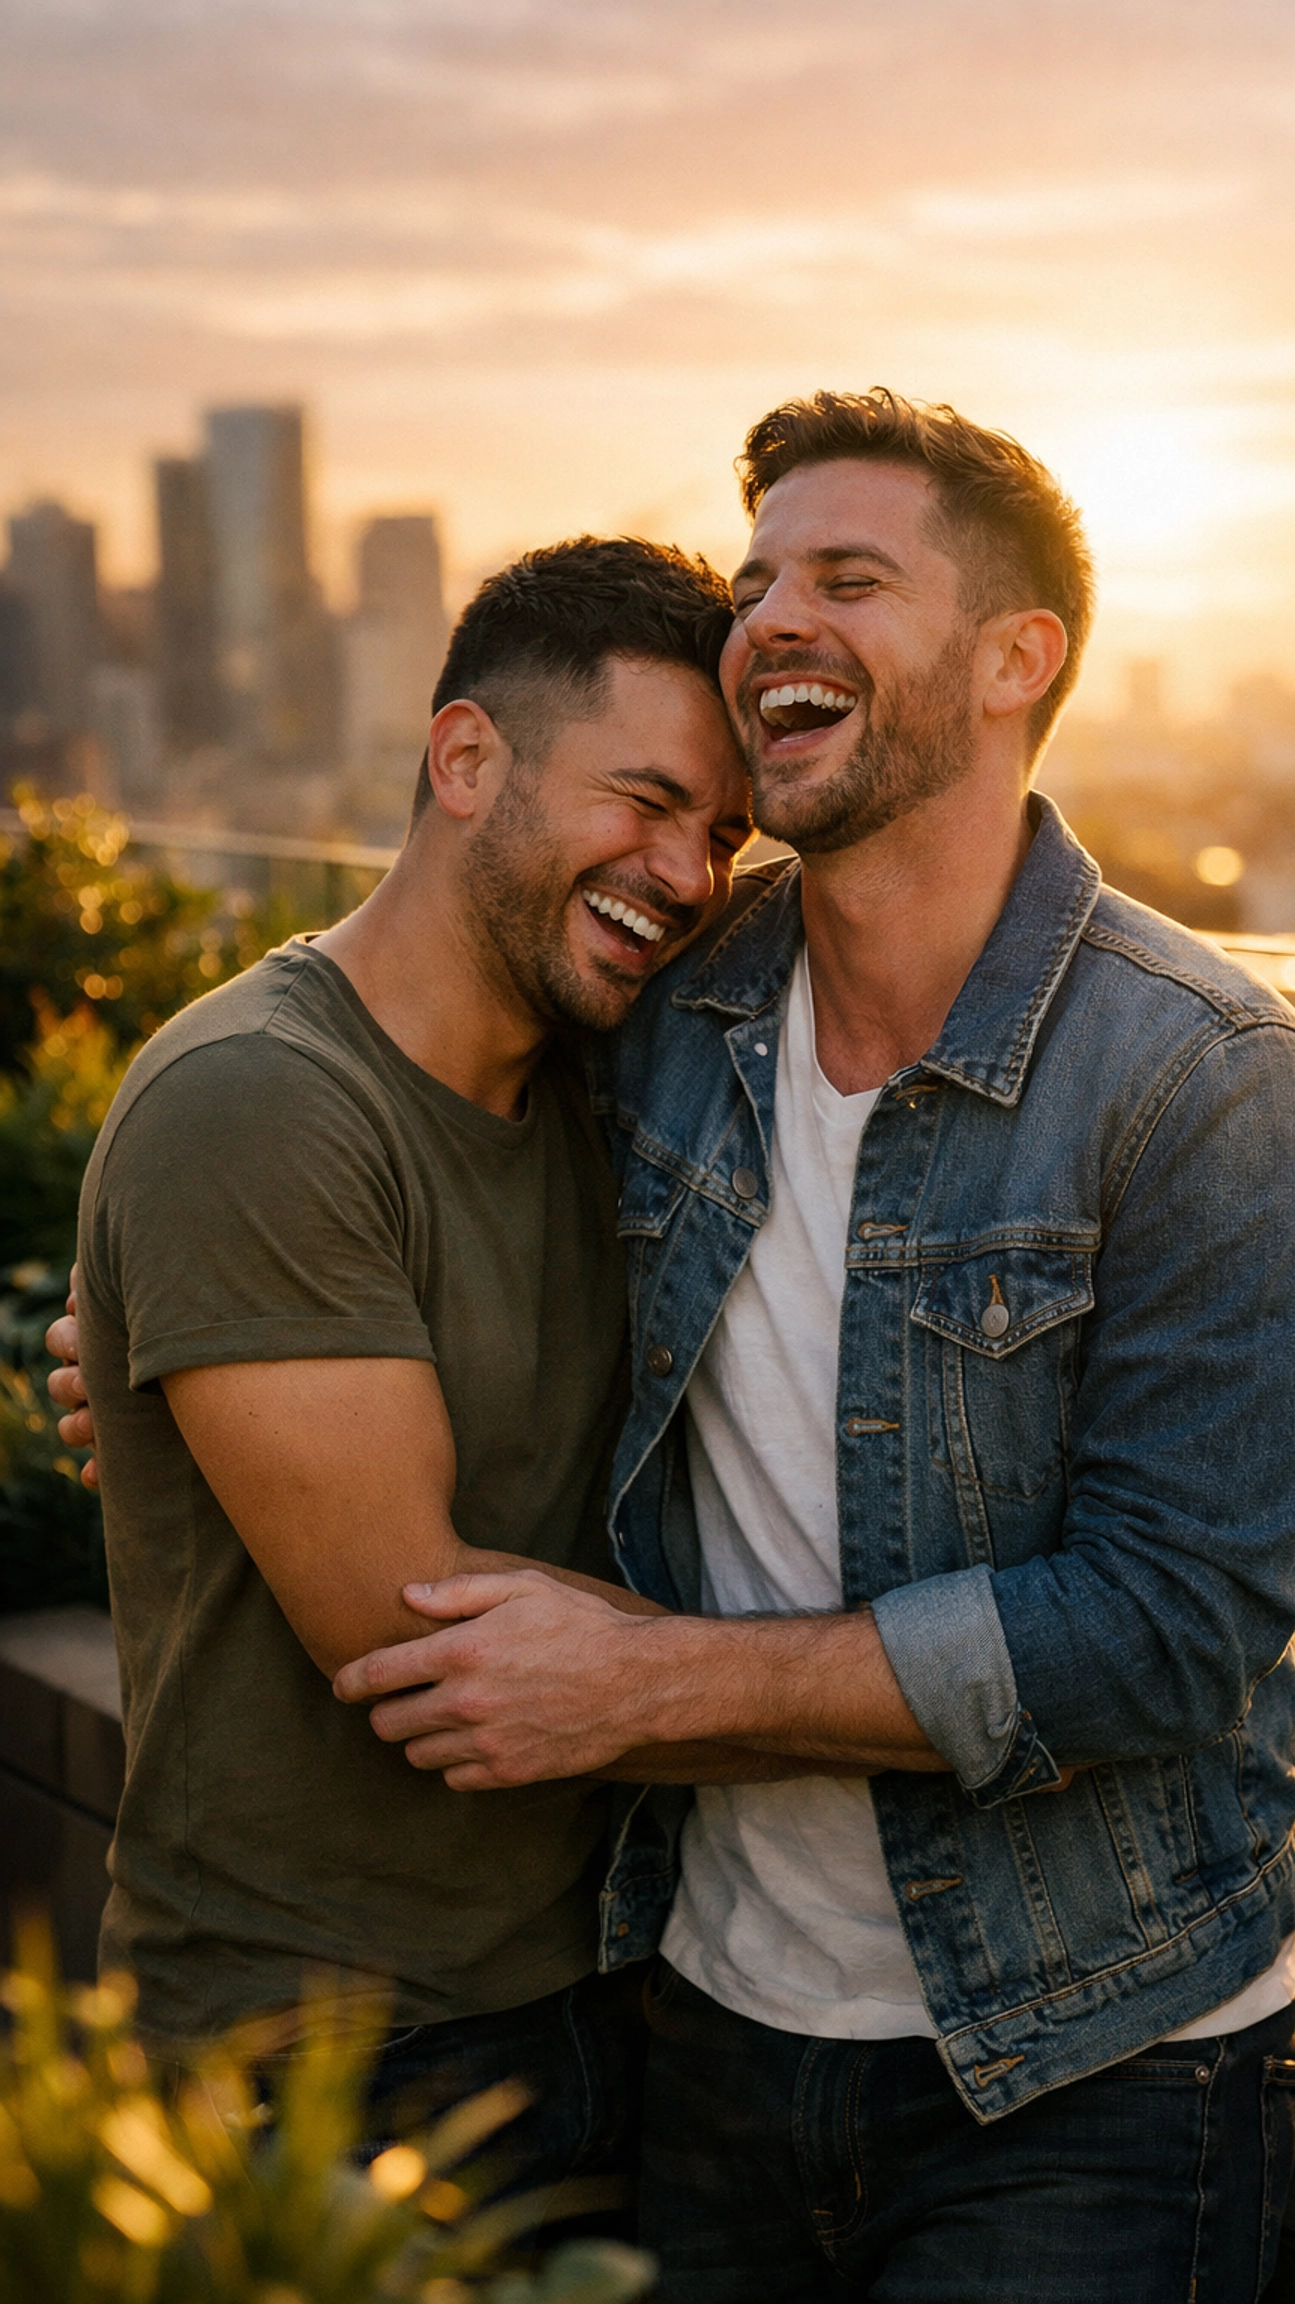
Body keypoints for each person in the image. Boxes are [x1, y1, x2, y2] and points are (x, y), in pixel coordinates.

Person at [337, 391, 1295, 2302]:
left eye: (846, 576)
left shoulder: (1206, 1079)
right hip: (707, 2023)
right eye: (755, 581)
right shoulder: (671, 1007)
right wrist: (175, 1303)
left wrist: (644, 1690)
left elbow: (1164, 1627)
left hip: (1090, 2066)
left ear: (1012, 658)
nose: (767, 621)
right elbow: (413, 1133)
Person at [55, 536, 763, 2209]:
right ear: (464, 760)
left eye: (722, 834)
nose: (683, 872)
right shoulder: (259, 1103)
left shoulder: (621, 1098)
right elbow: (430, 1656)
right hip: (325, 2064)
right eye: (644, 799)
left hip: (610, 1996)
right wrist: (897, 1689)